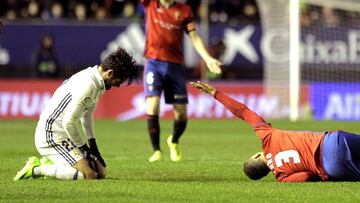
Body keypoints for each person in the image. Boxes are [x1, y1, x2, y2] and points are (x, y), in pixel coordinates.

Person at [190, 81, 360, 182]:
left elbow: (306, 176)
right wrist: (215, 93)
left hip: (331, 168)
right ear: (256, 156)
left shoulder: (281, 176)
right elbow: (243, 112)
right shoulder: (267, 137)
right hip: (331, 142)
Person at [14, 48, 139, 181]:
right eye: (119, 81)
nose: (118, 85)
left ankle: (59, 164)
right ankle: (37, 168)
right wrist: (83, 148)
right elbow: (68, 123)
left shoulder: (97, 81)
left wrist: (93, 145)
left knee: (100, 172)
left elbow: (87, 114)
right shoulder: (88, 85)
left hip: (65, 134)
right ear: (110, 73)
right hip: (51, 135)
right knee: (88, 175)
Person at [141, 0, 222, 162]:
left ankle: (174, 140)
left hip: (175, 66)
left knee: (181, 114)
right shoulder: (150, 3)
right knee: (153, 104)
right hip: (153, 63)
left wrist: (208, 59)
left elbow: (194, 37)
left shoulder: (184, 10)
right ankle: (156, 150)